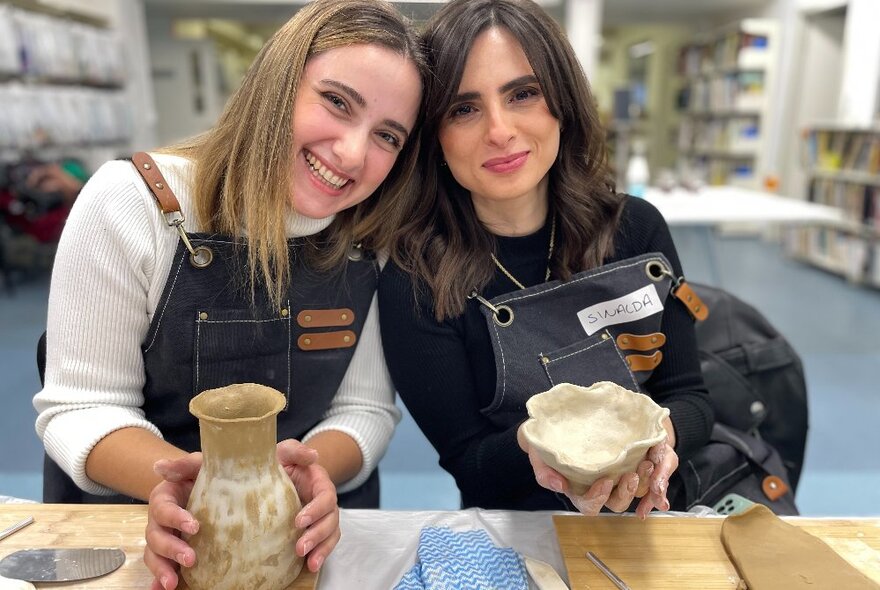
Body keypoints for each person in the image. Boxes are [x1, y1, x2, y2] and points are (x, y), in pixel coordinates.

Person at [33, 0, 425, 587]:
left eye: (387, 136)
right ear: (277, 83)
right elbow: (84, 406)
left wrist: (310, 477)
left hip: (300, 545)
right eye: (337, 102)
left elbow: (362, 409)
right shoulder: (134, 203)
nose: (350, 153)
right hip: (147, 537)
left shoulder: (369, 240)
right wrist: (181, 487)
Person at [379, 0, 714, 518]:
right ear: (433, 134)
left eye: (523, 94)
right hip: (521, 534)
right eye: (464, 108)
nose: (500, 130)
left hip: (659, 523)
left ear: (561, 101)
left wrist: (653, 449)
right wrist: (544, 455)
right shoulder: (418, 280)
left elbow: (689, 396)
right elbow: (470, 464)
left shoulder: (635, 230)